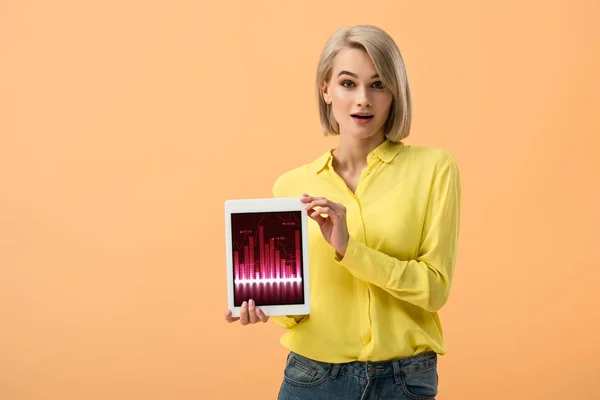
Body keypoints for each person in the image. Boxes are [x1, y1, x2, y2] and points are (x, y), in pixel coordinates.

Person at [225, 24, 461, 400]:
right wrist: (269, 306)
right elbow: (298, 314)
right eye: (348, 83)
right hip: (312, 379)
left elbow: (434, 289)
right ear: (326, 90)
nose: (363, 99)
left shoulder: (434, 169)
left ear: (395, 93)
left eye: (378, 84)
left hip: (404, 381)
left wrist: (350, 250)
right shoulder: (290, 187)